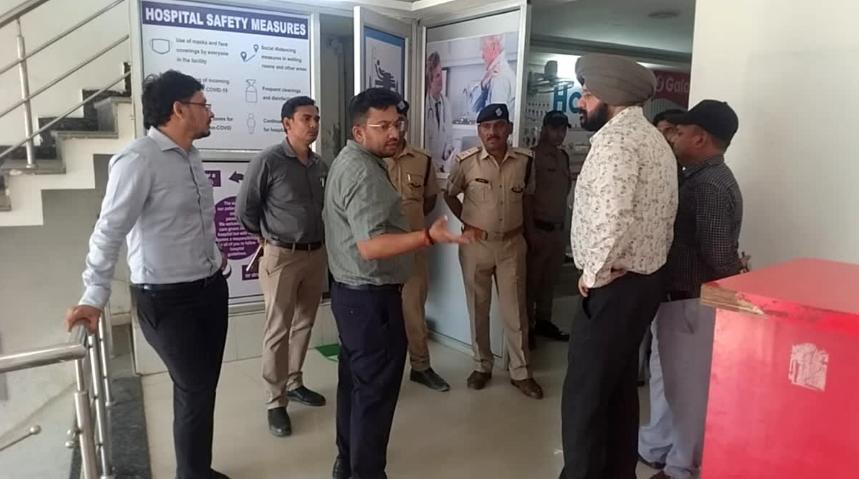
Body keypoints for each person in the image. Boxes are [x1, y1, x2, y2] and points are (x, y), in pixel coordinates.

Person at [64, 70, 231, 479]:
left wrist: (214, 257)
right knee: (194, 388)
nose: (210, 112)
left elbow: (192, 223)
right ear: (179, 109)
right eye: (203, 104)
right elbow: (109, 230)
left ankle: (197, 469)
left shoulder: (191, 156)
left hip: (210, 290)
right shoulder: (138, 159)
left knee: (202, 388)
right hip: (167, 300)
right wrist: (93, 296)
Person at [324, 88, 468, 479]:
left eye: (397, 124)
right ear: (358, 132)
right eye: (383, 126)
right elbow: (371, 246)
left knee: (354, 385)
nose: (394, 133)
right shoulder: (362, 172)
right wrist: (426, 237)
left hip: (351, 295)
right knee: (374, 395)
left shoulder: (354, 161)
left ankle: (348, 462)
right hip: (371, 300)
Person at [560, 54, 678, 479]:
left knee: (585, 397)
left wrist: (594, 273)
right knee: (618, 390)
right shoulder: (653, 139)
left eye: (588, 94)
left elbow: (613, 218)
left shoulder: (616, 142)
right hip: (644, 282)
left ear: (610, 96)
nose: (581, 102)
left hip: (614, 285)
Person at [648, 100, 743, 479]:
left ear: (700, 138)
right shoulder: (698, 177)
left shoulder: (709, 185)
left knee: (688, 393)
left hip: (692, 302)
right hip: (686, 301)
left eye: (681, 131)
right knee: (676, 387)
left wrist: (738, 279)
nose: (675, 137)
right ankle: (674, 456)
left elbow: (718, 254)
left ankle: (682, 469)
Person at [234, 96, 329, 438]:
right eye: (306, 118)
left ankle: (294, 382)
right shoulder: (268, 161)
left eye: (316, 118)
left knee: (304, 322)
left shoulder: (319, 165)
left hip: (315, 254)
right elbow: (245, 209)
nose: (314, 124)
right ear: (287, 123)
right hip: (281, 255)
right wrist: (265, 237)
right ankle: (275, 401)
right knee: (278, 328)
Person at [444, 103, 543, 400]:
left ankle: (521, 371)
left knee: (516, 311)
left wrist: (530, 234)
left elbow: (527, 198)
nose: (492, 132)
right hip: (476, 246)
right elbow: (450, 194)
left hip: (512, 244)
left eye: (499, 126)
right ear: (479, 131)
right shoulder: (466, 162)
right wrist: (468, 224)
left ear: (508, 128)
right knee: (478, 307)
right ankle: (481, 365)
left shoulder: (525, 161)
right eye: (486, 127)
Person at [384, 100, 451, 392]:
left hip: (413, 248)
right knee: (379, 314)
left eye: (401, 121)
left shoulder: (422, 159)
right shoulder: (371, 158)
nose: (396, 128)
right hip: (379, 251)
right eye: (390, 122)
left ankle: (421, 366)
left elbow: (429, 200)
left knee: (414, 310)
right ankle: (383, 371)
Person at [638, 107, 686, 470]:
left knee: (670, 369)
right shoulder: (650, 172)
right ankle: (656, 440)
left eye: (673, 131)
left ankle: (668, 449)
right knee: (654, 361)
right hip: (646, 280)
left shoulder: (691, 178)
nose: (666, 138)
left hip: (677, 288)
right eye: (661, 131)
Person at [525, 110, 573, 350]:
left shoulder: (563, 157)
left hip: (557, 231)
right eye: (555, 129)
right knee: (531, 284)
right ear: (544, 129)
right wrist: (530, 231)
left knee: (549, 282)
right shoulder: (532, 157)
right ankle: (527, 327)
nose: (559, 134)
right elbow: (525, 198)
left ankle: (543, 321)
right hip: (539, 230)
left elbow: (564, 190)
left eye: (563, 129)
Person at [425, 51, 455, 172]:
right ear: (430, 80)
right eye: (437, 75)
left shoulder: (446, 103)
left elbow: (449, 136)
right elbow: (424, 144)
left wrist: (448, 150)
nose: (441, 79)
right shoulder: (423, 106)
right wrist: (435, 164)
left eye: (441, 73)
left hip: (443, 166)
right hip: (427, 167)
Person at [475, 35, 517, 118]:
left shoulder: (498, 76)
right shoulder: (497, 73)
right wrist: (483, 83)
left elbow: (496, 119)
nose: (482, 56)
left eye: (483, 49)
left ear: (494, 47)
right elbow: (475, 107)